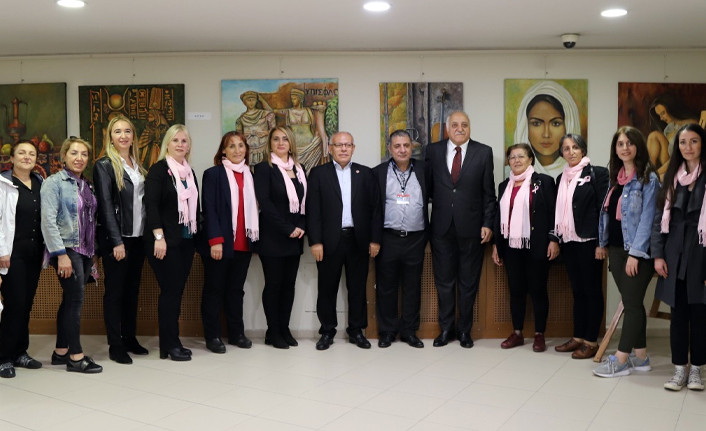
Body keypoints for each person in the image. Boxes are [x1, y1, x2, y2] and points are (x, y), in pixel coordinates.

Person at [425, 111, 496, 348]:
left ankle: (464, 331)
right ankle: (446, 329)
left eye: (464, 124)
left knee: (468, 282)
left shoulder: (483, 152)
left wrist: (487, 224)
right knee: (443, 282)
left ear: (470, 128)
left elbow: (489, 194)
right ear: (447, 128)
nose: (459, 128)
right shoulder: (433, 151)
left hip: (472, 229)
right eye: (455, 125)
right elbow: (427, 189)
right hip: (441, 228)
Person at [592, 126, 659, 377]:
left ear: (638, 147)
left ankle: (620, 360)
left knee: (631, 306)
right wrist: (604, 243)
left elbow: (649, 220)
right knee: (634, 304)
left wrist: (636, 254)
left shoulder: (648, 179)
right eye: (620, 144)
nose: (625, 148)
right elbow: (607, 215)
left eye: (630, 143)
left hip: (636, 253)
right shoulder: (615, 178)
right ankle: (640, 357)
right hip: (616, 249)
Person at [307, 131, 381, 350]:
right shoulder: (319, 174)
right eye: (338, 145)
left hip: (358, 240)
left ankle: (357, 331)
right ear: (330, 148)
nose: (343, 149)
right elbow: (313, 211)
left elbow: (376, 210)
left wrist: (375, 240)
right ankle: (327, 331)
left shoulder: (366, 174)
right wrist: (315, 242)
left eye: (347, 145)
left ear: (353, 148)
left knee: (357, 288)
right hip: (329, 242)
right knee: (327, 288)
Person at [651, 123, 706, 391]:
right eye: (683, 142)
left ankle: (696, 370)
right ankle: (678, 371)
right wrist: (658, 256)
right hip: (673, 256)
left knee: (700, 315)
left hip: (701, 256)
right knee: (678, 315)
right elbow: (658, 221)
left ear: (702, 144)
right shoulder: (671, 177)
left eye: (694, 141)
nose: (688, 147)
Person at [41, 137, 102, 373]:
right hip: (67, 250)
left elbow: (90, 221)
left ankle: (61, 352)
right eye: (74, 153)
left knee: (69, 301)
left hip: (85, 251)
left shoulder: (86, 184)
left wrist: (93, 253)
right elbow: (48, 222)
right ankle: (76, 358)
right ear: (64, 156)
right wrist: (61, 255)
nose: (79, 158)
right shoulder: (54, 183)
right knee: (75, 302)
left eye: (84, 154)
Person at [492, 143, 559, 353]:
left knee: (538, 290)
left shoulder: (544, 182)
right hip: (512, 246)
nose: (517, 160)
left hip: (537, 244)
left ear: (531, 159)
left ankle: (539, 334)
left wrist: (553, 239)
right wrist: (497, 245)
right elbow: (498, 216)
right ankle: (517, 333)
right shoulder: (504, 186)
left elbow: (553, 213)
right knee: (516, 291)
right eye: (512, 157)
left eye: (521, 156)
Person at [93, 115, 148, 365]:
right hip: (118, 240)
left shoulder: (137, 165)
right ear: (110, 137)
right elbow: (105, 206)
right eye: (118, 132)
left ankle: (130, 338)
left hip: (138, 239)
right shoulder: (104, 165)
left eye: (127, 131)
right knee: (114, 293)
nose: (123, 135)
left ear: (133, 136)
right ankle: (115, 345)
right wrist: (116, 242)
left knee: (132, 292)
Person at [144, 124, 200, 361]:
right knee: (170, 293)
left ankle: (171, 343)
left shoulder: (189, 172)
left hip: (185, 242)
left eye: (184, 141)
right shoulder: (159, 170)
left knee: (176, 292)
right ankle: (170, 344)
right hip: (164, 243)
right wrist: (159, 237)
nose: (180, 144)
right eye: (175, 140)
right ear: (167, 143)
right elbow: (152, 206)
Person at [200, 131, 258, 353]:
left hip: (243, 243)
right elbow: (210, 209)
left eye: (241, 145)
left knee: (236, 291)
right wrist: (215, 240)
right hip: (220, 244)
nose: (237, 150)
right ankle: (213, 336)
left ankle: (236, 334)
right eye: (231, 146)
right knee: (214, 290)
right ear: (223, 150)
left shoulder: (250, 175)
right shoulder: (213, 174)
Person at [553, 134, 609, 359]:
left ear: (583, 150)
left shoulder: (597, 174)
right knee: (577, 291)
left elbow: (602, 209)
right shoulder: (561, 178)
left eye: (575, 147)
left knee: (592, 291)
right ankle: (577, 337)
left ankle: (591, 341)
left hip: (589, 242)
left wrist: (600, 242)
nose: (571, 152)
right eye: (566, 148)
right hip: (569, 242)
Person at [373, 130, 428, 348]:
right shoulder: (378, 173)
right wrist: (374, 239)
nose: (402, 150)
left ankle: (409, 331)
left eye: (406, 145)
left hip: (416, 239)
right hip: (388, 238)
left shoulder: (425, 170)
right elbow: (373, 209)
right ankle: (387, 332)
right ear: (390, 149)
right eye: (397, 146)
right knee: (386, 287)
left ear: (412, 147)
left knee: (412, 287)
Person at [254, 127, 307, 349]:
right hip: (273, 236)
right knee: (274, 285)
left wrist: (300, 227)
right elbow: (265, 204)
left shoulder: (299, 168)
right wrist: (288, 228)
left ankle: (284, 329)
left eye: (285, 138)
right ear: (270, 144)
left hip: (296, 236)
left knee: (289, 285)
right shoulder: (264, 168)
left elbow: (306, 202)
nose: (281, 142)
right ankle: (273, 331)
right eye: (276, 139)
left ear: (291, 142)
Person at [0, 141, 44, 378]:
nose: (27, 157)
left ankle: (20, 353)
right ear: (12, 157)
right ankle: (4, 357)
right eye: (22, 153)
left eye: (31, 153)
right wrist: (1, 252)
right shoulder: (3, 183)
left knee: (26, 305)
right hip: (11, 255)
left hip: (34, 254)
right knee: (14, 305)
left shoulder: (39, 183)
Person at [513, 80, 582, 178]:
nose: (546, 134)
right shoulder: (511, 175)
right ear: (524, 127)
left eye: (555, 123)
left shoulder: (582, 174)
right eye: (536, 123)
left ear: (568, 125)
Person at [266, 88, 328, 173]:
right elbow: (271, 110)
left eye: (294, 98)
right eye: (292, 99)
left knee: (310, 173)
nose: (293, 101)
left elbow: (315, 127)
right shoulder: (288, 111)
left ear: (300, 99)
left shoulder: (309, 111)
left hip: (310, 146)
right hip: (295, 146)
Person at [647, 94, 702, 178]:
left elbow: (678, 156)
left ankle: (650, 175)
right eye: (659, 115)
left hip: (685, 165)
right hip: (670, 165)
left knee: (660, 178)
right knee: (654, 135)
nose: (661, 118)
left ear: (671, 109)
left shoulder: (690, 124)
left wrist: (656, 173)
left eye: (663, 113)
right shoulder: (669, 129)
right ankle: (649, 171)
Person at [235, 91, 276, 166]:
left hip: (264, 148)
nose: (251, 102)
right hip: (249, 150)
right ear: (244, 102)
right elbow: (238, 137)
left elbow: (274, 131)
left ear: (257, 100)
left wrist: (266, 132)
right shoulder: (240, 119)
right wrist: (244, 135)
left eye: (253, 99)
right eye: (249, 100)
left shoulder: (265, 114)